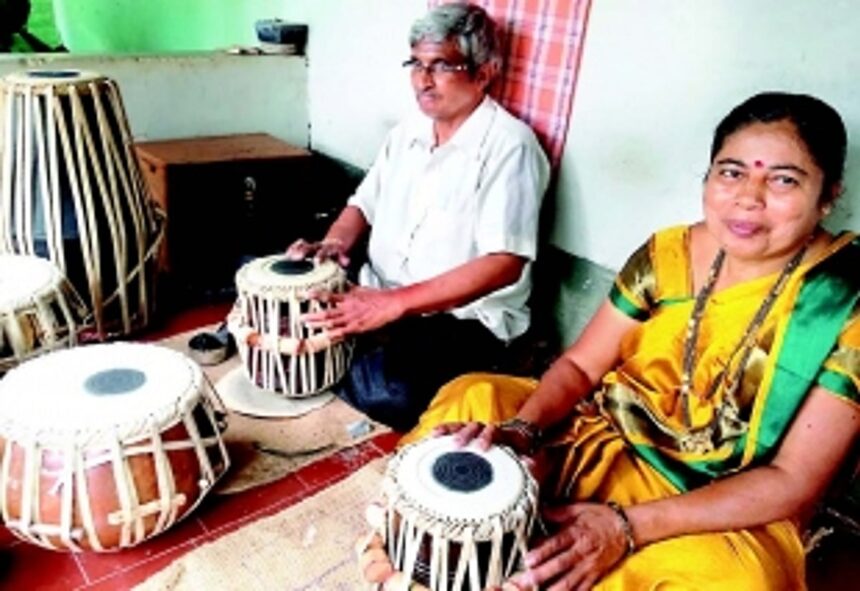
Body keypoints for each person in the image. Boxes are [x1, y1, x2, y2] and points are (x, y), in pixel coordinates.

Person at [393, 92, 859, 590]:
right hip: (600, 433)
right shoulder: (668, 253)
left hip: (713, 497)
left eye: (784, 180)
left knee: (742, 581)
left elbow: (793, 480)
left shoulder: (842, 301)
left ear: (829, 194)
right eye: (731, 172)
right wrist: (523, 432)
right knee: (473, 400)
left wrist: (625, 527)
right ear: (707, 178)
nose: (749, 196)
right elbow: (579, 369)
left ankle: (524, 552)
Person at [287, 3, 550, 431]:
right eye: (417, 64)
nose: (423, 81)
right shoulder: (408, 131)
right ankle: (350, 352)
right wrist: (333, 245)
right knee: (275, 285)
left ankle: (349, 360)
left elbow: (505, 263)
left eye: (442, 65)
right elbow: (363, 203)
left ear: (484, 73)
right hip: (380, 293)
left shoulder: (510, 146)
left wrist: (393, 305)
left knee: (390, 391)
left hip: (462, 321)